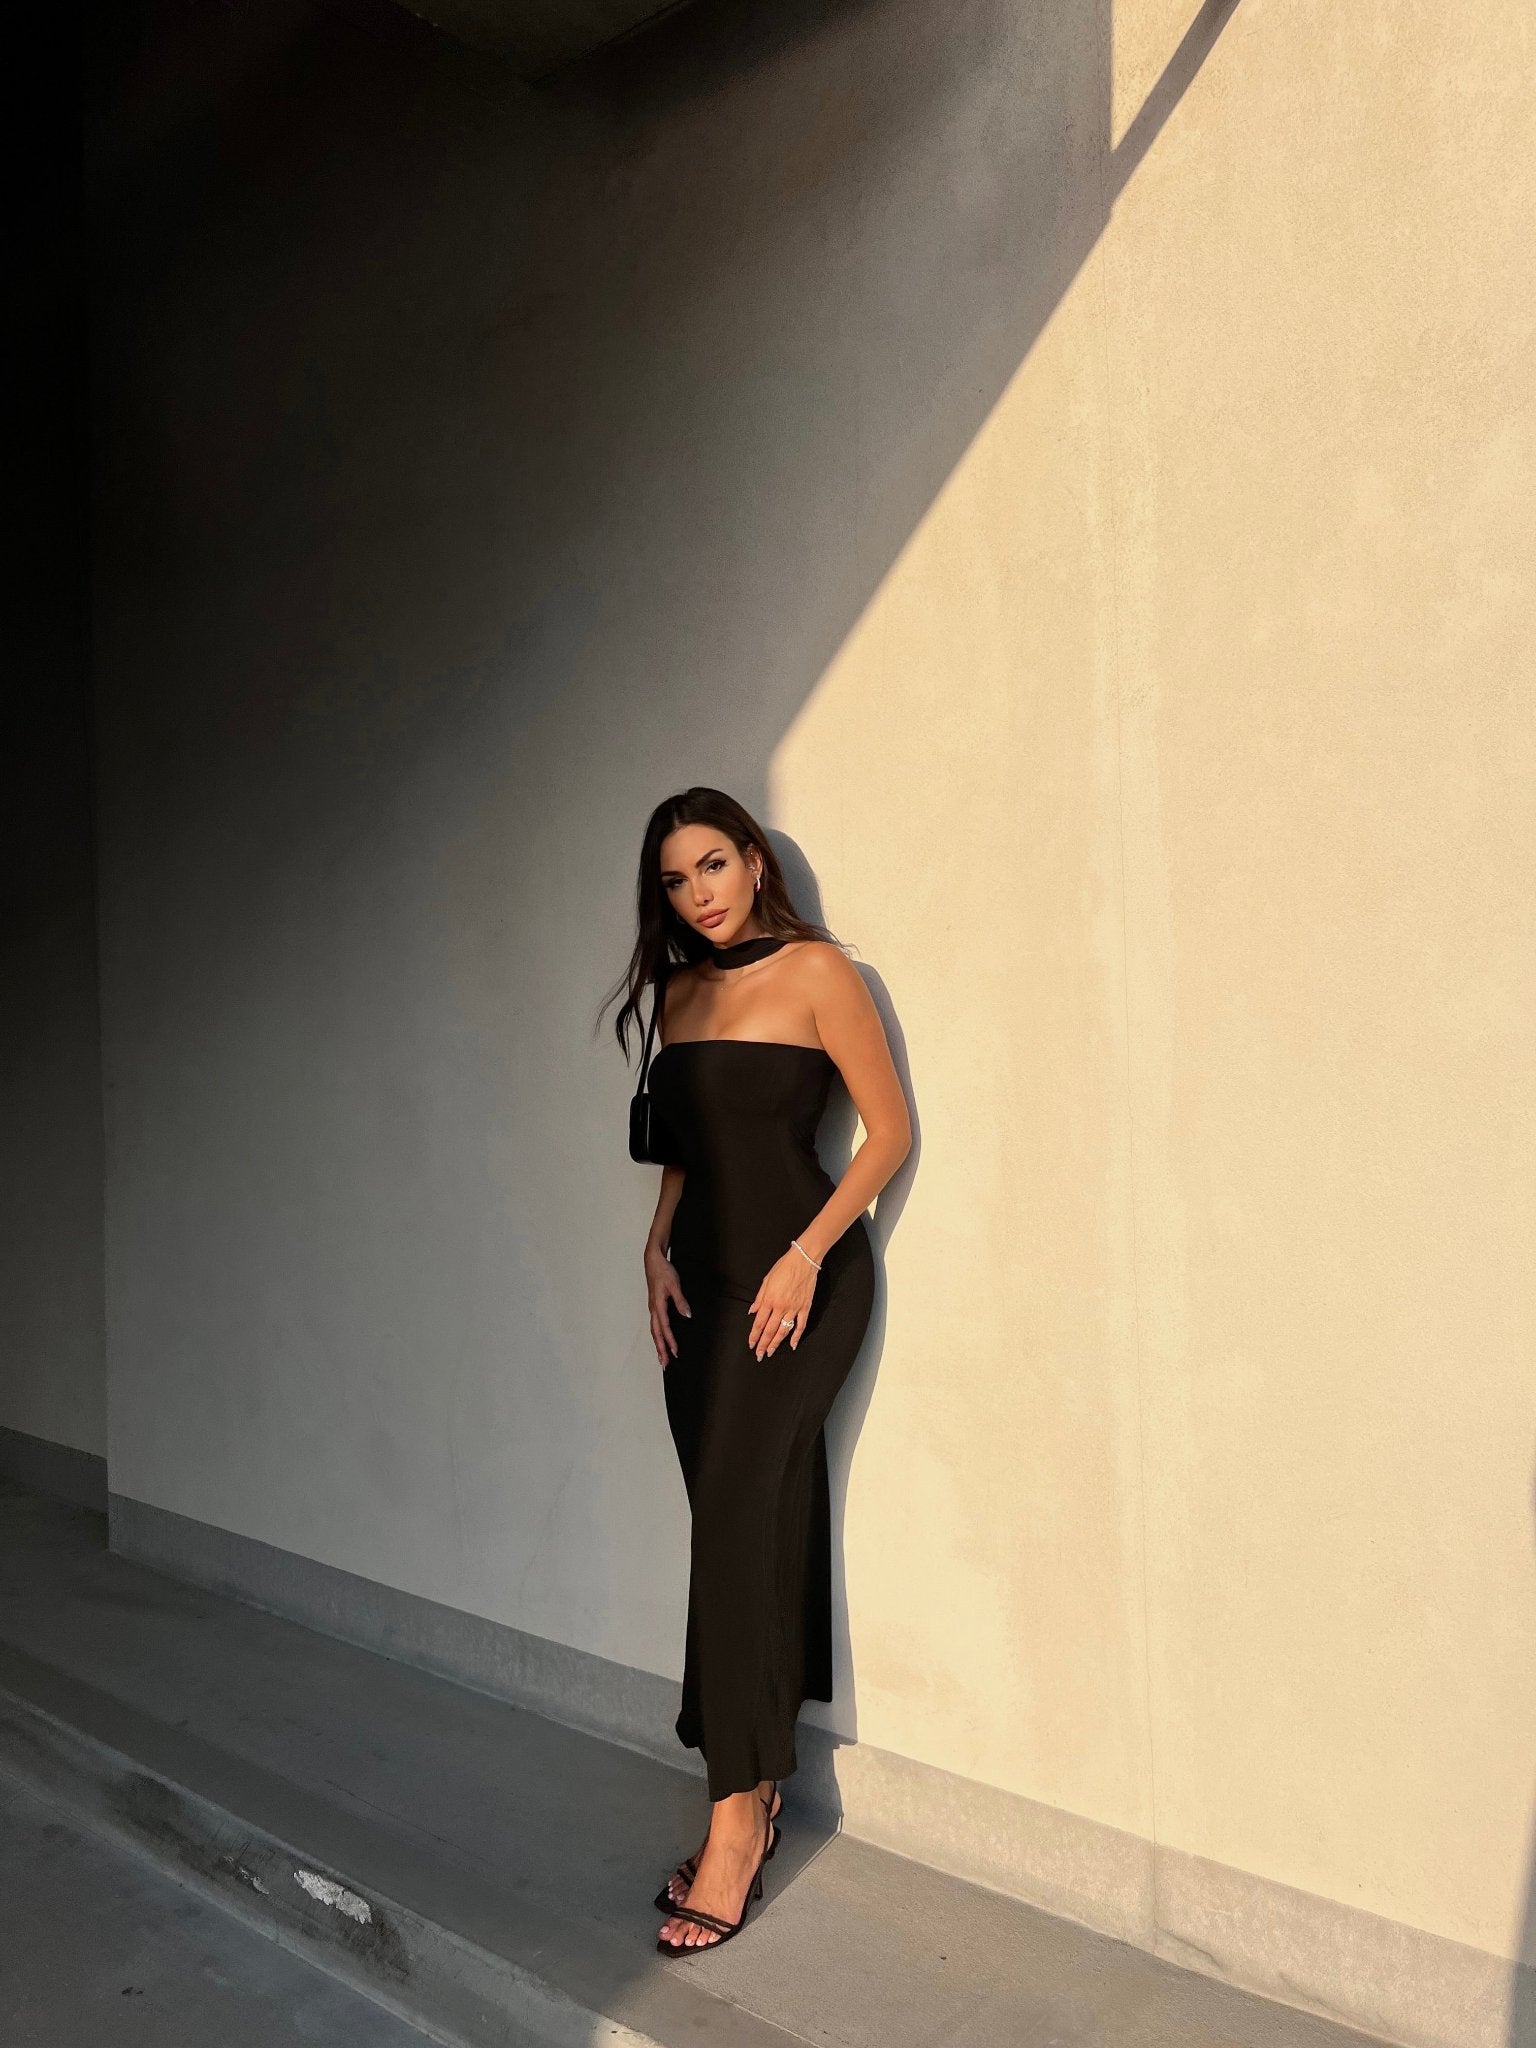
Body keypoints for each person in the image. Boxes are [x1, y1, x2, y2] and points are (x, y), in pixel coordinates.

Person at [605, 787, 911, 1956]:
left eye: (714, 865)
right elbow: (685, 1148)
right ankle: (761, 1771)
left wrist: (806, 1253)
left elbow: (888, 1134)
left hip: (802, 1281)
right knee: (739, 1525)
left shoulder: (822, 972)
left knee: (737, 1522)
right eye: (676, 880)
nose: (700, 894)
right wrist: (654, 1243)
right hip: (699, 1283)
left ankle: (735, 1820)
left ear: (754, 859)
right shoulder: (680, 991)